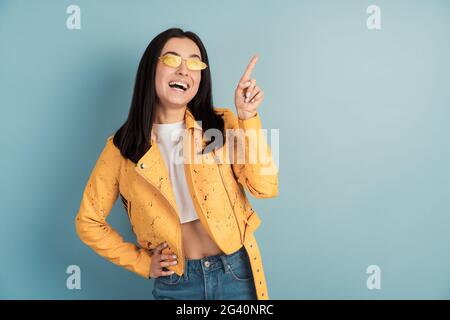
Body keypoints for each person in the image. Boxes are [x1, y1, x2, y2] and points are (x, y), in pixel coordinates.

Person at [75, 27, 278, 300]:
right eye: (171, 60)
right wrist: (143, 263)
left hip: (236, 273)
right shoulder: (120, 148)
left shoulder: (222, 125)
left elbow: (265, 187)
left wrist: (248, 118)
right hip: (177, 283)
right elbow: (88, 221)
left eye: (194, 63)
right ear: (151, 70)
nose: (184, 70)